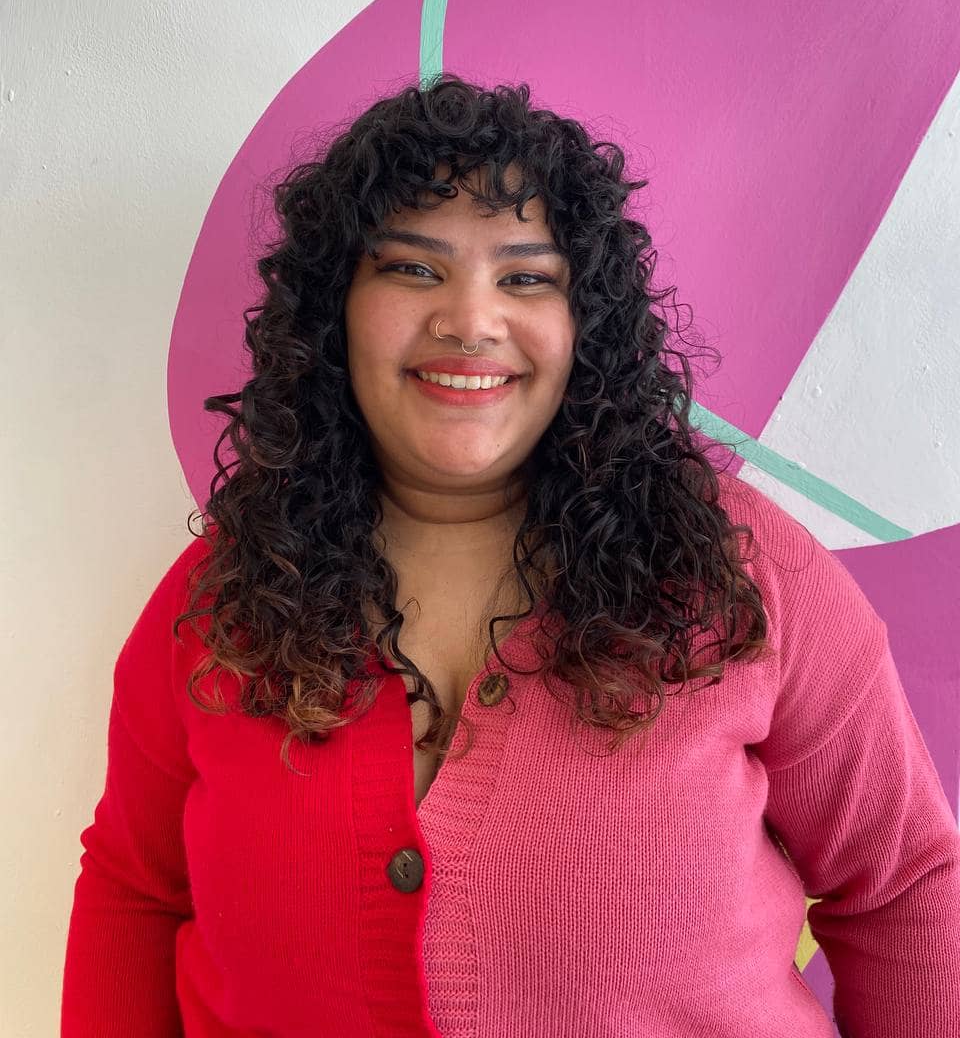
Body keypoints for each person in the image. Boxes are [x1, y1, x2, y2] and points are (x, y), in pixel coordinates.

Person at [61, 76, 960, 1037]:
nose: (469, 321)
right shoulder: (229, 593)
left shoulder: (739, 571)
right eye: (413, 268)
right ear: (334, 310)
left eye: (527, 278)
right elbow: (135, 891)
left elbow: (904, 883)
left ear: (587, 324)